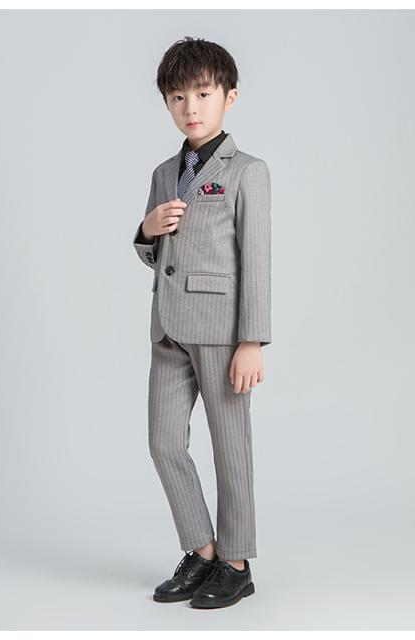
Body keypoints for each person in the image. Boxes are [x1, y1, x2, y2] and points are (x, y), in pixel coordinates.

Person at [131, 36, 272, 610]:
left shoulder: (247, 172)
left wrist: (252, 340)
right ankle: (203, 550)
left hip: (221, 331)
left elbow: (256, 260)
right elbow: (157, 254)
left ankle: (235, 564)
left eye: (203, 94)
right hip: (168, 329)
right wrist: (146, 230)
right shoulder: (165, 172)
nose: (190, 107)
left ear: (229, 97)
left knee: (229, 449)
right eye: (178, 97)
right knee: (164, 443)